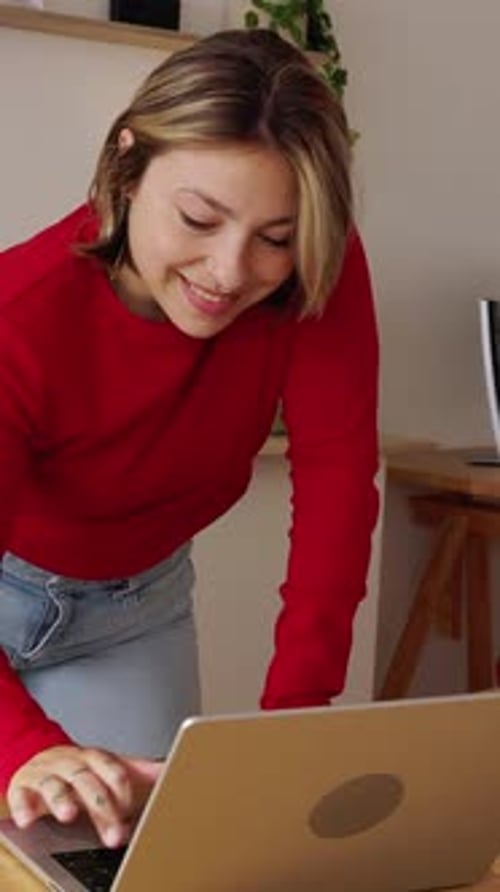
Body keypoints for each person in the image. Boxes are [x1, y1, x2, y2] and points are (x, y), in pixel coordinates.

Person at [0, 28, 379, 848]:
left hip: (136, 609)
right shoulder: (18, 318)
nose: (231, 270)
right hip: (8, 580)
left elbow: (338, 485)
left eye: (274, 238)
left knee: (153, 857)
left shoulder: (317, 262)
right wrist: (26, 750)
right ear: (129, 167)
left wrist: (294, 726)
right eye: (200, 219)